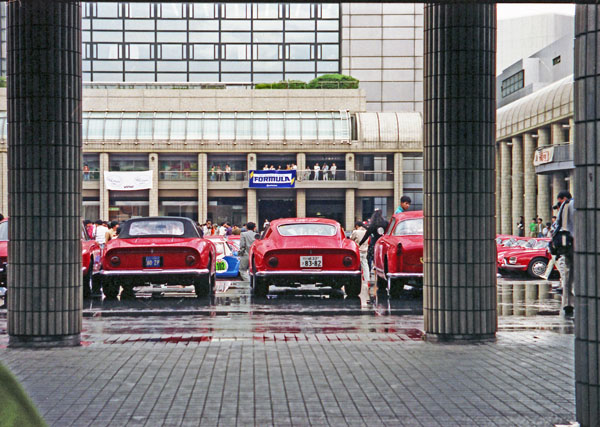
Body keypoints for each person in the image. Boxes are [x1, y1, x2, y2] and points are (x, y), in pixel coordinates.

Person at [553, 190, 575, 317]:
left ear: (564, 198)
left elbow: (558, 226)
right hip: (584, 245)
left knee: (567, 273)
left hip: (568, 245)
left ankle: (568, 303)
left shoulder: (566, 206)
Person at [359, 209, 389, 277]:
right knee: (382, 262)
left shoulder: (372, 225)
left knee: (370, 259)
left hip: (374, 245)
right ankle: (381, 277)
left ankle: (369, 274)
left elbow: (366, 236)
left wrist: (359, 244)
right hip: (383, 245)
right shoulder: (386, 223)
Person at [350, 221, 369, 287]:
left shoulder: (356, 232)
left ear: (357, 226)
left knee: (357, 266)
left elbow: (351, 239)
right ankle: (367, 279)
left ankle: (357, 279)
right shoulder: (366, 231)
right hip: (365, 250)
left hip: (358, 250)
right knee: (365, 265)